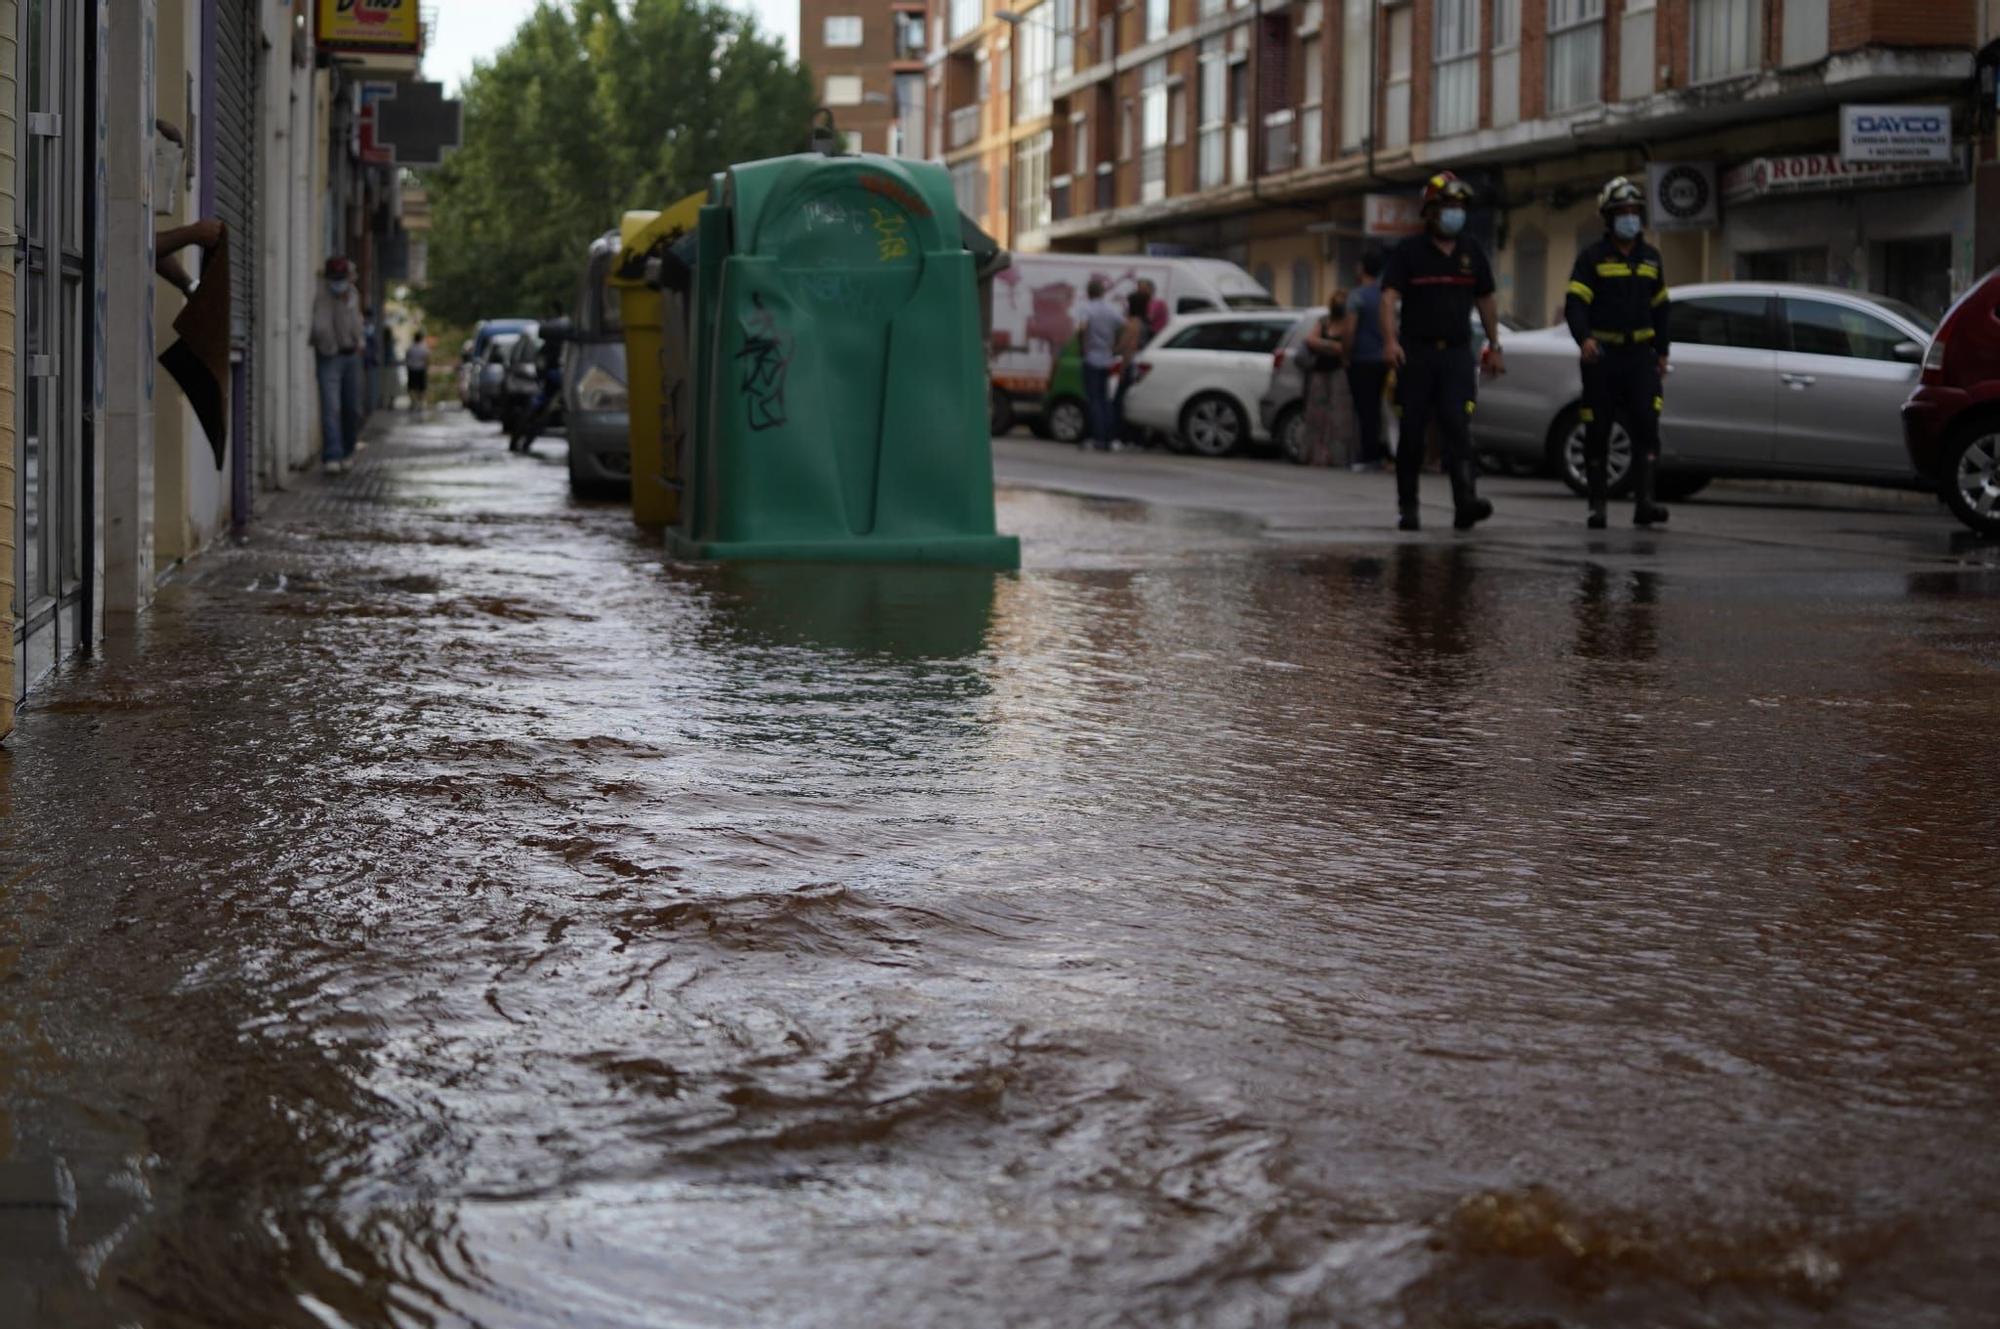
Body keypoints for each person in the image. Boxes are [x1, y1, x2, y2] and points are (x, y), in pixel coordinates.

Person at [1380, 170, 1505, 531]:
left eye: (1460, 206)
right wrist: (1390, 341)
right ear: (1430, 211)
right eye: (1448, 206)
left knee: (1458, 427)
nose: (1455, 213)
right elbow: (1389, 299)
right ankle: (1409, 507)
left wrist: (1495, 346)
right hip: (1416, 355)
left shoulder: (1472, 251)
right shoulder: (1409, 252)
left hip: (1456, 355)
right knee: (1413, 432)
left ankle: (1465, 501)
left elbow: (1486, 299)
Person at [1566, 176, 1673, 529]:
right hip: (1603, 359)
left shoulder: (1651, 258)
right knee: (1597, 431)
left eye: (1634, 212)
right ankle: (1598, 506)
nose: (1630, 218)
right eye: (1622, 212)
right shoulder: (1592, 259)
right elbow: (1576, 304)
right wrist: (1584, 339)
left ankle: (1646, 503)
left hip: (1641, 358)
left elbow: (1661, 308)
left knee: (1647, 427)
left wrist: (1662, 351)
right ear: (1609, 218)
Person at [310, 257, 366, 473]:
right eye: (335, 279)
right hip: (329, 356)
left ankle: (348, 451)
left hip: (352, 357)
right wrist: (332, 348)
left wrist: (359, 342)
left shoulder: (353, 295)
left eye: (342, 279)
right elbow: (320, 329)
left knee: (352, 407)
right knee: (331, 407)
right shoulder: (323, 295)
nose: (339, 284)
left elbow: (356, 325)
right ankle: (332, 454)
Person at [1341, 249, 1390, 471]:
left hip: (1362, 360)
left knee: (1365, 409)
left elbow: (1349, 330)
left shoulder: (1357, 296)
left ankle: (1368, 456)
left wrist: (1346, 355)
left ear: (1362, 268)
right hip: (1383, 359)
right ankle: (1378, 452)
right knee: (1378, 408)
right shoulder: (1386, 295)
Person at [1299, 291, 1356, 467]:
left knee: (1339, 418)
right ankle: (1313, 455)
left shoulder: (1349, 323)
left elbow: (1345, 347)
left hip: (1339, 373)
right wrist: (1332, 345)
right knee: (1315, 416)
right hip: (1319, 372)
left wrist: (1324, 345)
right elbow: (1310, 340)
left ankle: (1337, 457)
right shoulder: (1324, 322)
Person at [1079, 277, 1127, 452]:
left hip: (1092, 358)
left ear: (1089, 292)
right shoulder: (1111, 310)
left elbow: (1082, 329)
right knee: (1106, 400)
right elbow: (1124, 326)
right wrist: (1117, 346)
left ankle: (1096, 437)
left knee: (1094, 400)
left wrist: (1082, 347)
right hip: (1107, 359)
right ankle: (1110, 437)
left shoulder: (1087, 309)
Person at [1112, 289, 1151, 450]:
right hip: (1141, 365)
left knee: (1120, 403)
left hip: (1131, 366)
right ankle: (1137, 439)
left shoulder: (1132, 324)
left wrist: (1122, 369)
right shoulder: (1145, 323)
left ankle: (1122, 437)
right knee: (1135, 402)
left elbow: (1128, 348)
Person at [404, 330, 432, 414]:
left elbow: (407, 357)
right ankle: (420, 403)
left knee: (412, 387)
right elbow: (427, 359)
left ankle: (413, 403)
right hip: (421, 369)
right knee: (421, 388)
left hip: (412, 369)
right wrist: (427, 367)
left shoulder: (410, 347)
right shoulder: (423, 348)